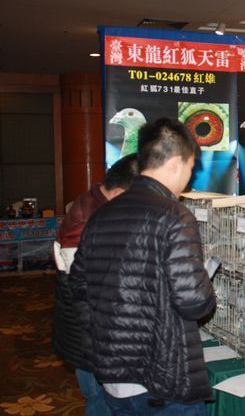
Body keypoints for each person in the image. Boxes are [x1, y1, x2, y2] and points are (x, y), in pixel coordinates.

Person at [70, 118, 216, 415]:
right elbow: (193, 302)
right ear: (175, 163)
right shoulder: (175, 215)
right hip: (162, 376)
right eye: (191, 167)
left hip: (112, 374)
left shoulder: (102, 214)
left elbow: (78, 286)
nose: (189, 178)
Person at [52, 153, 139, 416]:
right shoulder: (86, 220)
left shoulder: (97, 204)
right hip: (90, 334)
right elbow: (85, 287)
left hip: (93, 330)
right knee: (100, 401)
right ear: (122, 191)